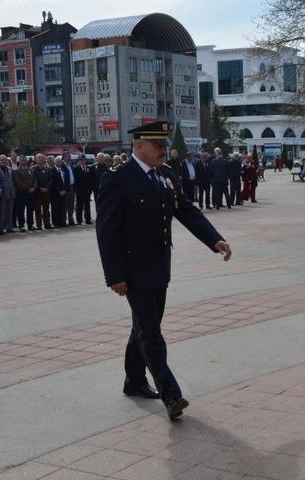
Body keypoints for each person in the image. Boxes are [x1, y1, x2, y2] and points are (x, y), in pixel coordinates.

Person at [96, 121, 232, 421]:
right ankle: (171, 394)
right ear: (138, 146)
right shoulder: (117, 178)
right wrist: (114, 275)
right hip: (132, 270)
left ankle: (134, 380)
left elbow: (186, 210)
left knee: (144, 326)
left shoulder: (166, 175)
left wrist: (214, 239)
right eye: (157, 146)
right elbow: (106, 232)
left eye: (164, 146)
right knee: (151, 332)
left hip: (159, 266)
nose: (162, 151)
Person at [12, 156, 37, 231]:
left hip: (31, 194)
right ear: (19, 161)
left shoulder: (30, 169)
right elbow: (18, 183)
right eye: (22, 160)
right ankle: (21, 225)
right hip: (21, 193)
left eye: (25, 160)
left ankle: (30, 225)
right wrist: (28, 188)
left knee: (30, 210)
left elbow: (35, 180)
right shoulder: (16, 171)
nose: (24, 162)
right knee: (21, 210)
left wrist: (34, 187)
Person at [32, 154, 54, 230]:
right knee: (38, 209)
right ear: (36, 159)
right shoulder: (33, 169)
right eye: (39, 158)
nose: (41, 159)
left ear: (44, 159)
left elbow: (51, 179)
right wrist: (39, 188)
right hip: (37, 192)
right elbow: (33, 179)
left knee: (46, 209)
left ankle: (47, 224)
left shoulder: (48, 169)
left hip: (47, 192)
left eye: (42, 158)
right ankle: (39, 225)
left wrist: (47, 187)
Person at [0, 155, 16, 232]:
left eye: (5, 159)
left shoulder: (10, 169)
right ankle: (1, 228)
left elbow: (13, 180)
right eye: (2, 160)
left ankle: (9, 227)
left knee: (10, 211)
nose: (4, 161)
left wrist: (14, 190)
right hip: (2, 193)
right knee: (2, 212)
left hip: (11, 193)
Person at [74, 155, 93, 225]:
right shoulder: (76, 168)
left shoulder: (89, 168)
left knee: (87, 205)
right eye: (81, 160)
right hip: (79, 190)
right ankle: (79, 220)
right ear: (79, 161)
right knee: (79, 206)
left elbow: (91, 179)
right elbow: (75, 180)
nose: (82, 161)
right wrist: (76, 190)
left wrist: (90, 189)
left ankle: (88, 219)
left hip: (87, 190)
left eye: (84, 159)